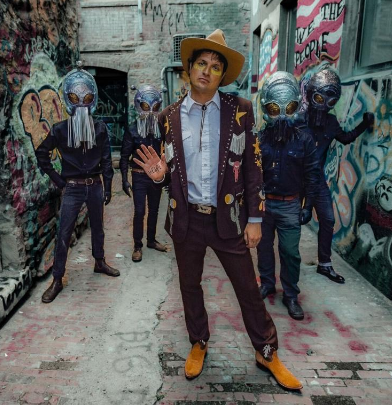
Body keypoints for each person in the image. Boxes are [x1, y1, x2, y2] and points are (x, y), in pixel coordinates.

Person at [134, 30, 302, 390]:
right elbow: (171, 172)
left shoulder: (240, 110)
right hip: (186, 219)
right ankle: (199, 341)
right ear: (189, 68)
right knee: (189, 286)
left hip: (228, 219)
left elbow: (253, 166)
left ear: (222, 75)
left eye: (215, 66)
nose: (206, 71)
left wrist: (255, 218)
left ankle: (266, 351)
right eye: (201, 63)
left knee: (247, 288)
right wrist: (161, 177)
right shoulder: (169, 117)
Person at [36, 63, 119, 304]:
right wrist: (59, 181)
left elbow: (106, 160)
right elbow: (42, 154)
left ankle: (99, 261)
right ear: (68, 99)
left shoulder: (99, 128)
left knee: (98, 227)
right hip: (72, 187)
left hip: (94, 185)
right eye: (76, 97)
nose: (82, 103)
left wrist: (108, 186)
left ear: (93, 99)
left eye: (87, 97)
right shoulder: (60, 130)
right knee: (64, 232)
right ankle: (57, 278)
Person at [256, 72, 323, 320]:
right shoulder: (259, 139)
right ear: (267, 108)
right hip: (265, 204)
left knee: (290, 252)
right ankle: (267, 283)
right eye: (275, 109)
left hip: (289, 205)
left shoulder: (304, 140)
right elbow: (252, 175)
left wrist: (308, 206)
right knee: (263, 248)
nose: (282, 115)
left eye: (289, 108)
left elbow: (312, 174)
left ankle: (291, 294)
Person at [304, 65, 374, 284]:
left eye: (330, 101)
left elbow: (345, 137)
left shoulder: (331, 122)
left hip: (317, 181)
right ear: (311, 95)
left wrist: (364, 124)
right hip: (296, 180)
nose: (323, 105)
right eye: (319, 98)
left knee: (327, 219)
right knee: (290, 223)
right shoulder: (298, 119)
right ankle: (285, 267)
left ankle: (325, 264)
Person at [120, 86, 169, 262]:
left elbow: (167, 152)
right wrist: (124, 180)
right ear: (139, 106)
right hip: (139, 175)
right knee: (140, 211)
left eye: (154, 107)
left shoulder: (161, 129)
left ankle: (151, 240)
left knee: (154, 209)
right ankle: (137, 245)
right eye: (146, 107)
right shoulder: (132, 130)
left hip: (156, 175)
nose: (150, 112)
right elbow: (124, 157)